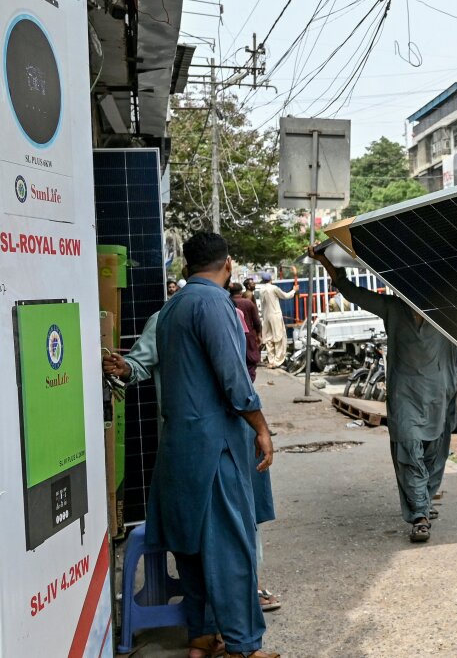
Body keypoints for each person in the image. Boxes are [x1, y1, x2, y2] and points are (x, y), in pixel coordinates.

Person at [145, 232, 278, 658]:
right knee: (231, 552)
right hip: (213, 446)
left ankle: (203, 636)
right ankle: (244, 646)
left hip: (179, 447)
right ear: (229, 264)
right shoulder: (214, 303)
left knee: (195, 549)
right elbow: (233, 378)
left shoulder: (172, 307)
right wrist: (261, 426)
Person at [102, 310, 281, 617]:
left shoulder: (227, 313)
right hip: (191, 445)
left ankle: (245, 593)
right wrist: (126, 367)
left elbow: (237, 376)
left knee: (242, 519)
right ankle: (215, 618)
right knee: (201, 529)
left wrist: (258, 426)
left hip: (233, 435)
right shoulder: (165, 318)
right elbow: (139, 362)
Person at [308, 247, 456, 543]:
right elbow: (350, 292)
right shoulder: (392, 308)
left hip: (438, 393)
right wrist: (324, 259)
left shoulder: (447, 311)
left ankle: (423, 501)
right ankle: (420, 517)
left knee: (434, 453)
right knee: (409, 450)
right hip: (404, 395)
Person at [254, 271, 298, 368]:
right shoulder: (274, 288)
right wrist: (294, 290)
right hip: (275, 315)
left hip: (266, 316)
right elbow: (286, 296)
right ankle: (277, 361)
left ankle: (271, 360)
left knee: (269, 339)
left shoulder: (261, 290)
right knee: (278, 338)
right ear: (271, 280)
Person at [230, 283, 262, 380]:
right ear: (241, 291)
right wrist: (259, 335)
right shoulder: (248, 303)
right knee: (250, 362)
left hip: (232, 336)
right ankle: (248, 383)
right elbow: (257, 322)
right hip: (248, 336)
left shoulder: (227, 302)